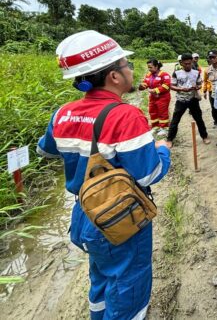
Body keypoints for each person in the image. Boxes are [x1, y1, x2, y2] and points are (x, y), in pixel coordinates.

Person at [37, 30, 171, 320]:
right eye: (126, 65)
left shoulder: (62, 114)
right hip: (120, 217)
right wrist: (162, 149)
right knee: (128, 287)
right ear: (113, 76)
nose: (131, 70)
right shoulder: (124, 116)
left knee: (101, 278)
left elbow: (45, 151)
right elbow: (150, 174)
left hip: (84, 215)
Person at [167, 53, 211, 146]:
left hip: (193, 99)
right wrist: (182, 89)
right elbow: (172, 86)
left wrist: (197, 87)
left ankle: (204, 136)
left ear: (192, 62)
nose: (188, 65)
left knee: (199, 119)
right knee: (175, 120)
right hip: (181, 100)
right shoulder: (177, 73)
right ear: (181, 63)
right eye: (185, 63)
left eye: (189, 63)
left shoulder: (196, 73)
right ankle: (169, 139)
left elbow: (199, 84)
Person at [139, 58, 172, 137]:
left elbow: (167, 86)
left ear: (156, 66)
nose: (149, 69)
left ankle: (164, 128)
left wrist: (156, 90)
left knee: (162, 112)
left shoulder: (164, 75)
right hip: (153, 97)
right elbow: (145, 83)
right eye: (148, 67)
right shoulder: (148, 75)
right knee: (152, 111)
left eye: (150, 67)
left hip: (163, 97)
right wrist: (142, 86)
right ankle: (155, 127)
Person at [203, 50, 217, 143]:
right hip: (213, 94)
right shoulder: (207, 70)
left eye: (214, 57)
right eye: (210, 57)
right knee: (216, 115)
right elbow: (205, 81)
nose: (212, 59)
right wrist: (204, 91)